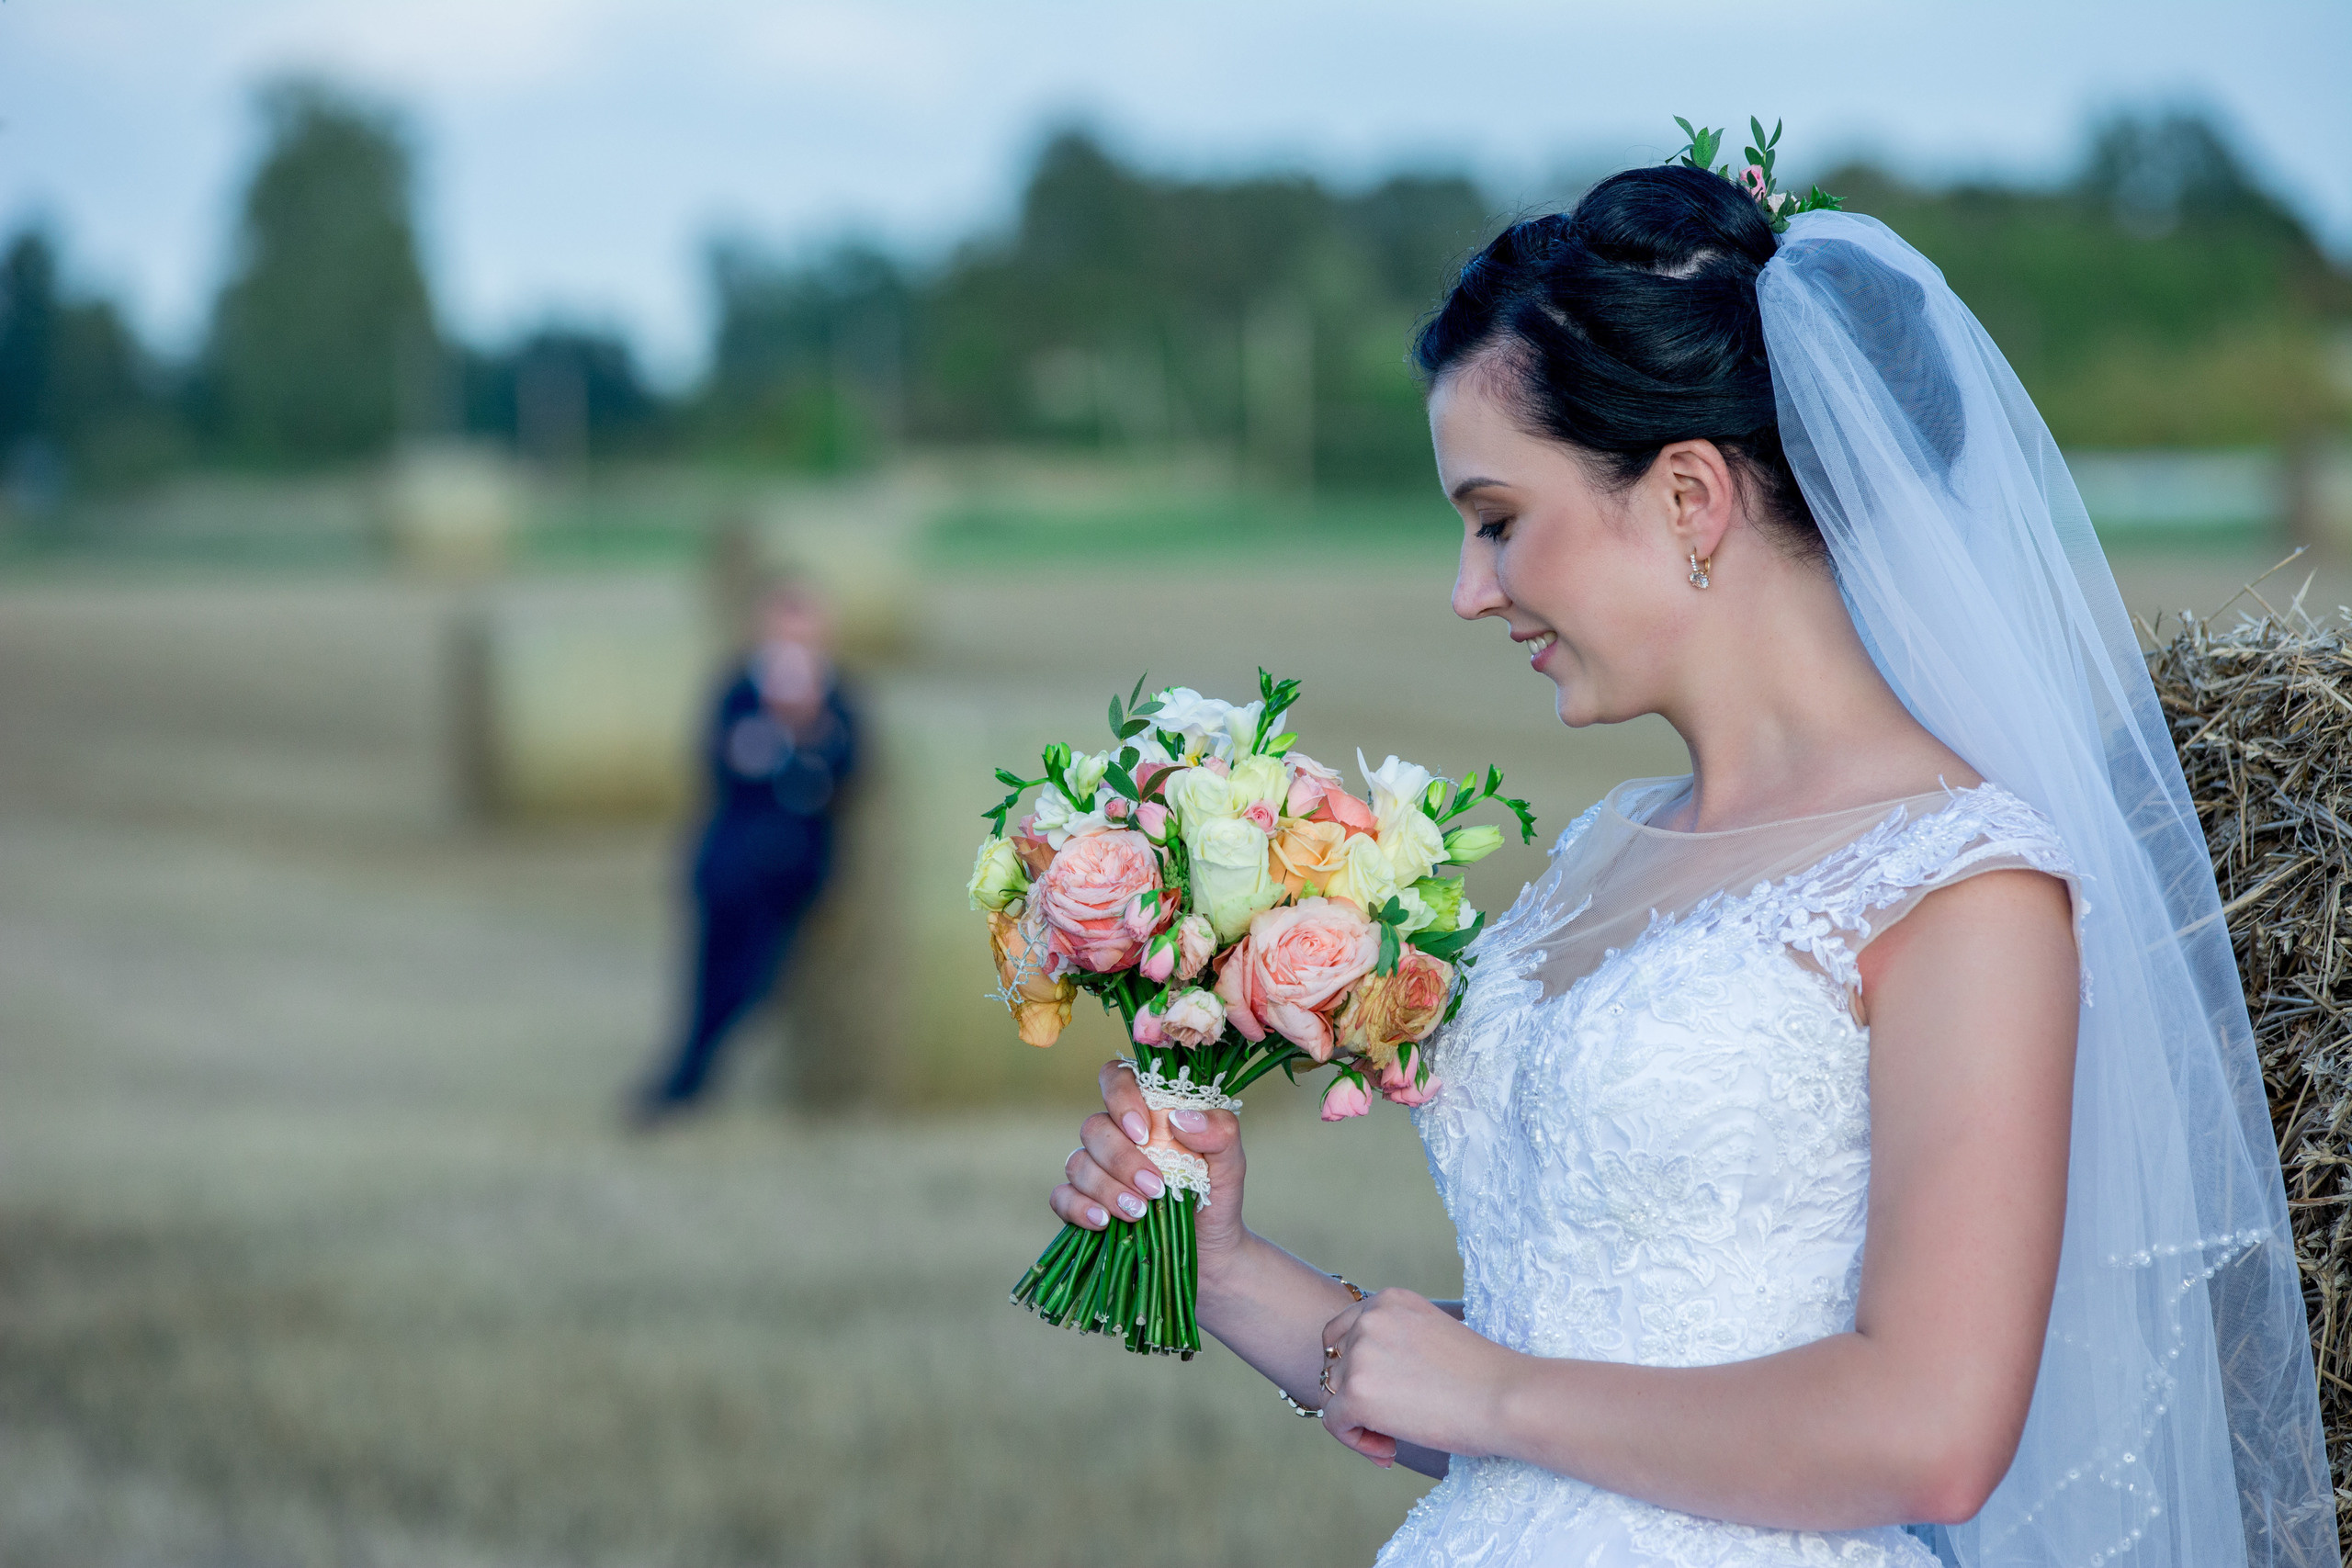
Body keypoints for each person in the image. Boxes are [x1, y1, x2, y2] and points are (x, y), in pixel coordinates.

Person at [1049, 152, 2335, 1565]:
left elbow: (1932, 1427)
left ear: (1688, 496)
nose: (1470, 589)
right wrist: (1226, 1268)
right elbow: (1568, 1387)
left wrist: (1493, 1389)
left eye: (1498, 520)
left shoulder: (1962, 881)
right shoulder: (1603, 849)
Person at [632, 579, 856, 1122]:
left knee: (755, 978)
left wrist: (806, 729)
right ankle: (688, 1070)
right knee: (709, 972)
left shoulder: (839, 701)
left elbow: (846, 770)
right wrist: (779, 728)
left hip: (791, 869)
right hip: (729, 864)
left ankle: (688, 1073)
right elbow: (722, 763)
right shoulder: (737, 691)